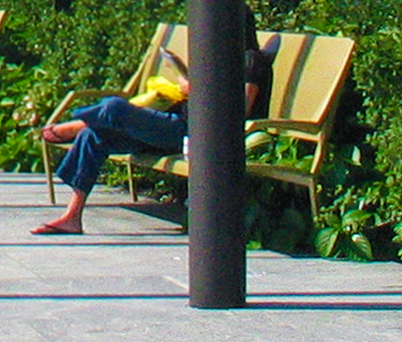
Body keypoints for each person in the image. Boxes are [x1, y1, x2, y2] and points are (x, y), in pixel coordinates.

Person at [32, 16, 276, 236]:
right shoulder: (221, 61)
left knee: (115, 108)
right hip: (176, 125)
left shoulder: (250, 60)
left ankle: (76, 123)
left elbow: (239, 110)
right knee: (94, 135)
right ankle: (72, 217)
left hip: (195, 134)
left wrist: (198, 89)